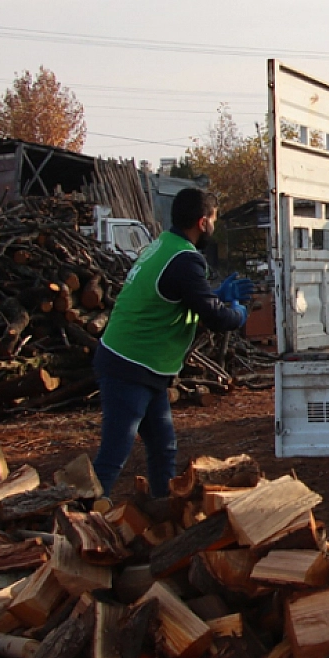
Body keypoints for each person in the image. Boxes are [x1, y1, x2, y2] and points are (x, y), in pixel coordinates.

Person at [93, 188, 250, 498]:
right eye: (213, 221)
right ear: (203, 222)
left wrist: (215, 294)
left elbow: (177, 294)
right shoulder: (185, 260)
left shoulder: (163, 246)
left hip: (142, 366)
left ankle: (163, 509)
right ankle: (78, 522)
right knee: (113, 456)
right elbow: (215, 318)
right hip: (131, 365)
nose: (213, 228)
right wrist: (238, 314)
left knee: (164, 449)